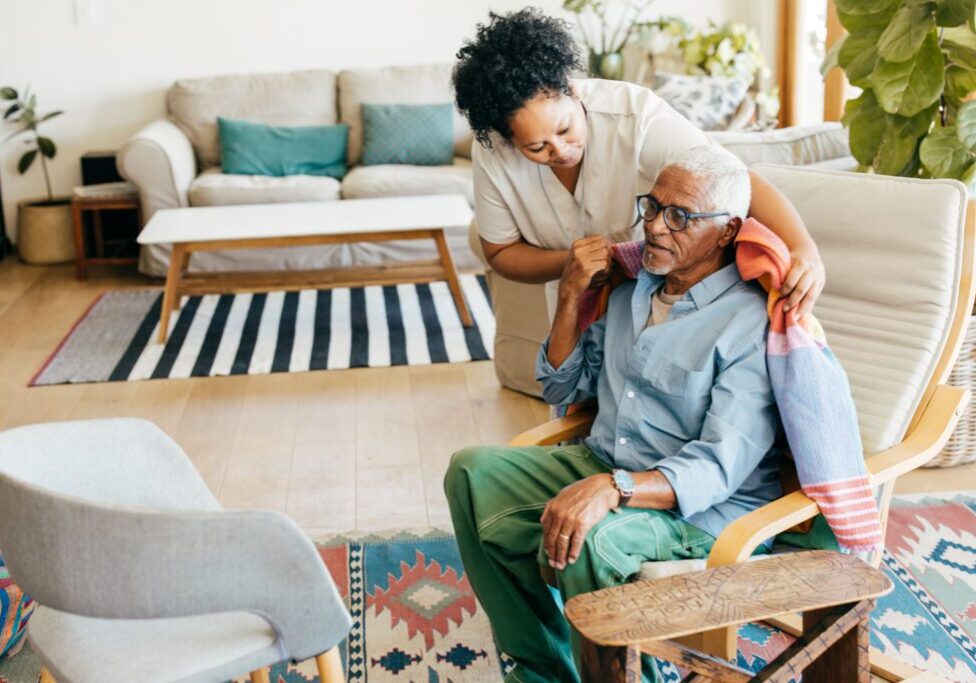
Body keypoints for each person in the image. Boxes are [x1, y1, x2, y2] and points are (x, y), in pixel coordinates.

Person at [444, 146, 783, 683]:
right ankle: (543, 671)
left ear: (726, 232)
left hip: (699, 511)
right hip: (603, 463)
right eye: (652, 207)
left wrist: (613, 489)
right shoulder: (633, 291)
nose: (654, 227)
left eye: (679, 217)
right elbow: (561, 383)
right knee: (471, 472)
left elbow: (718, 467)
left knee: (594, 539)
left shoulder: (748, 325)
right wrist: (569, 296)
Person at [453, 7, 824, 317]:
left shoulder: (636, 117)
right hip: (574, 305)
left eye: (565, 129)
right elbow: (500, 252)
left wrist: (803, 249)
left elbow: (734, 180)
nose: (561, 151)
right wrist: (571, 263)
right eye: (537, 148)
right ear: (506, 137)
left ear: (571, 87)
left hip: (665, 297)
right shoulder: (493, 155)